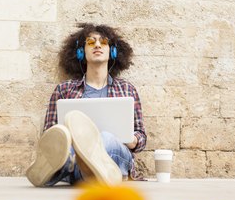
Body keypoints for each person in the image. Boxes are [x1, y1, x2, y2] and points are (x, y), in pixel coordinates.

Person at [26, 23, 147, 186]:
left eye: (103, 42)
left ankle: (63, 170)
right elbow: (51, 133)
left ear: (112, 51)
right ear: (81, 52)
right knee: (67, 148)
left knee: (105, 138)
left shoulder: (127, 89)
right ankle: (85, 170)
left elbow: (141, 137)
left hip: (115, 153)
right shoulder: (65, 89)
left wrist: (130, 139)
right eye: (91, 42)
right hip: (79, 155)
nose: (97, 45)